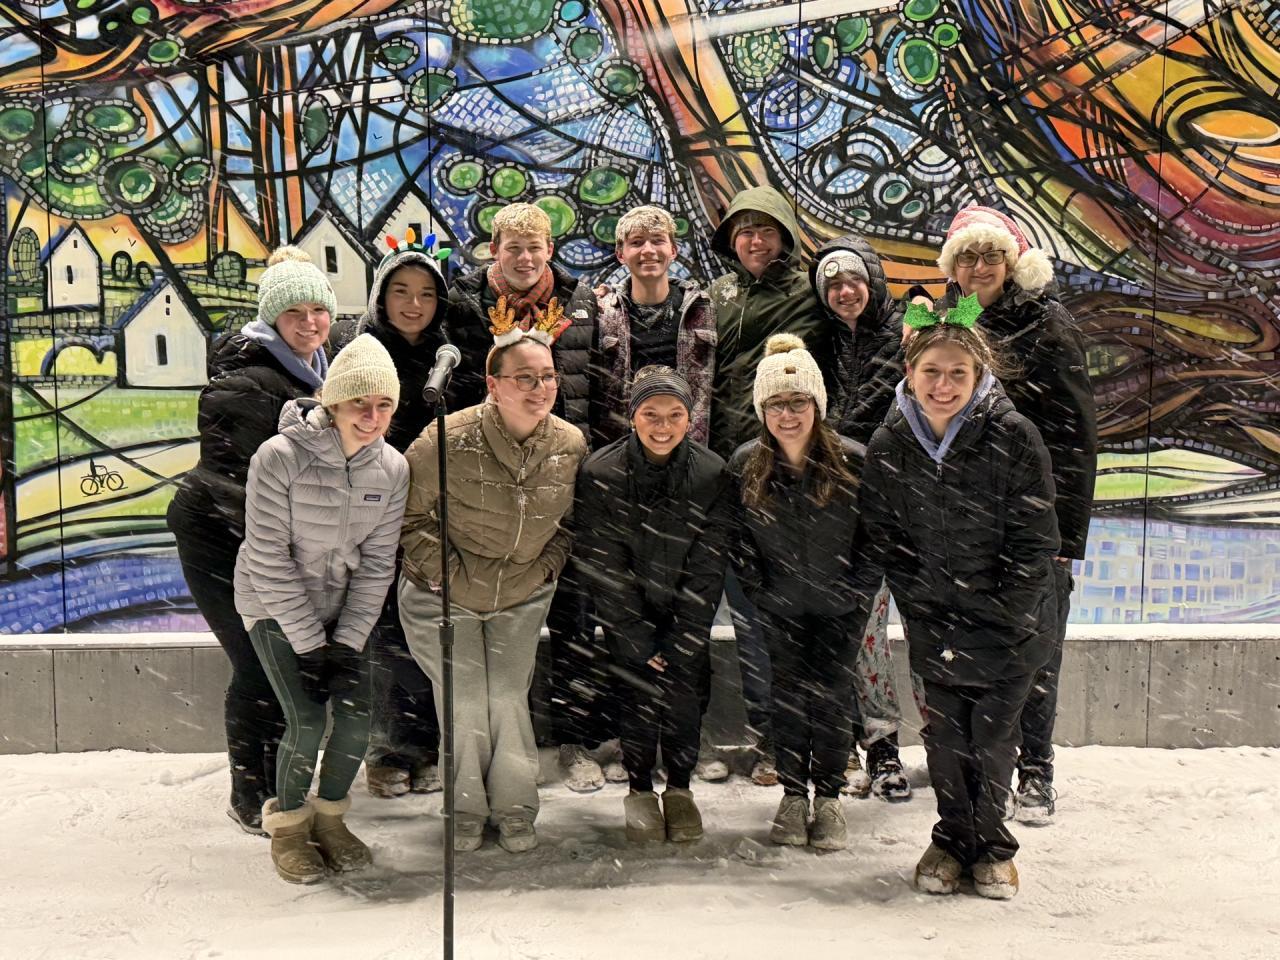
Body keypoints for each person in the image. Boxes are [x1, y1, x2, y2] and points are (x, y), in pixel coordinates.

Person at [857, 302, 1059, 899]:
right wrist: (923, 604)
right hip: (936, 619)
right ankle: (950, 840)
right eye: (932, 372)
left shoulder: (1013, 435)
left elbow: (1035, 540)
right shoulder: (890, 442)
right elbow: (886, 538)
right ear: (910, 372)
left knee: (992, 741)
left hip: (1011, 620)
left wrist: (1001, 612)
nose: (942, 386)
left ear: (979, 374)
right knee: (946, 741)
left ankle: (992, 849)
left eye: (957, 373)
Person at [397, 308, 586, 854]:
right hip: (441, 593)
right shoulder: (446, 438)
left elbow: (574, 524)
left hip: (520, 592)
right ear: (493, 384)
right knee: (463, 697)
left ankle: (515, 807)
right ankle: (463, 809)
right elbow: (407, 518)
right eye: (524, 378)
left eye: (547, 376)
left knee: (504, 696)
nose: (539, 388)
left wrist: (546, 566)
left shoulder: (570, 445)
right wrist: (449, 574)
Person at [935, 205, 1097, 823]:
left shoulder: (1046, 324)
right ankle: (988, 762)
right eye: (967, 257)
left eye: (991, 256)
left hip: (1034, 520)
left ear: (1013, 262)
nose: (979, 268)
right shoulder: (952, 320)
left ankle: (1036, 770)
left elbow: (1076, 436)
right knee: (981, 648)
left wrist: (1066, 537)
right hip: (969, 521)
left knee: (1038, 648)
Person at [167, 246, 334, 834]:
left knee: (279, 663)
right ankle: (249, 791)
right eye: (294, 313)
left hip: (270, 541)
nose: (309, 322)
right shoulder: (245, 382)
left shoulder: (316, 366)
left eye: (318, 310)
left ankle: (278, 779)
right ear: (272, 318)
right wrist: (286, 545)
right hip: (220, 539)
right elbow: (235, 483)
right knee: (257, 663)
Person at [234, 334, 409, 884]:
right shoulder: (278, 457)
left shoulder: (393, 469)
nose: (372, 417)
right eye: (360, 402)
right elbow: (266, 557)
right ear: (333, 403)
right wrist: (311, 646)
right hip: (271, 604)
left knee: (357, 722)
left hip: (341, 611)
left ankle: (331, 819)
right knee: (307, 720)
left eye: (384, 404)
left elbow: (377, 565)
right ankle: (288, 828)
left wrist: (348, 642)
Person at [443, 203, 604, 789]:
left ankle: (577, 739)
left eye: (535, 247)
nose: (525, 258)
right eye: (513, 247)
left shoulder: (581, 305)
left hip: (560, 472)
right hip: (490, 481)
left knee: (574, 616)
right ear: (494, 248)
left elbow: (595, 388)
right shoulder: (465, 305)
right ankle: (490, 749)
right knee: (488, 623)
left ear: (550, 250)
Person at [581, 204, 721, 783]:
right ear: (621, 253)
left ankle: (686, 747)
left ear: (674, 248)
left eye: (657, 240)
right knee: (625, 607)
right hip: (624, 471)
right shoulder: (601, 311)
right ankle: (631, 743)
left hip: (690, 469)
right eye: (636, 242)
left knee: (690, 611)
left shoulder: (704, 307)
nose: (648, 250)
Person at [709, 185, 835, 785]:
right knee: (751, 610)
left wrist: (927, 309)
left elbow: (882, 321)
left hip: (802, 471)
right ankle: (770, 735)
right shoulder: (717, 295)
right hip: (735, 473)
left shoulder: (813, 292)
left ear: (785, 234)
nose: (755, 240)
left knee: (821, 616)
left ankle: (833, 740)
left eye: (765, 229)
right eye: (744, 230)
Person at [576, 367, 730, 843]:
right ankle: (640, 789)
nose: (663, 426)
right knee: (636, 699)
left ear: (690, 417)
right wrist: (637, 635)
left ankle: (680, 788)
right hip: (629, 615)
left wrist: (684, 633)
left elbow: (709, 562)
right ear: (632, 416)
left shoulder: (712, 473)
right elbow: (604, 563)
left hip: (686, 613)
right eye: (650, 414)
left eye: (674, 414)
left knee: (686, 698)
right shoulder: (601, 473)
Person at [729, 335, 868, 851]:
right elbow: (736, 539)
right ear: (761, 409)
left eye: (798, 402)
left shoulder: (854, 461)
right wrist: (759, 589)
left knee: (832, 697)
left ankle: (828, 798)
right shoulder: (745, 464)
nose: (787, 415)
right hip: (778, 605)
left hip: (841, 606)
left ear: (818, 404)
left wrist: (857, 589)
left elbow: (877, 536)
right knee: (785, 697)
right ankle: (792, 794)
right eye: (775, 404)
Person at [329, 230, 450, 800]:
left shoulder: (448, 357)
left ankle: (426, 745)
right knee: (378, 633)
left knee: (426, 631)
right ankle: (384, 748)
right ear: (381, 296)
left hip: (430, 516)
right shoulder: (360, 351)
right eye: (401, 291)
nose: (413, 304)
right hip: (369, 513)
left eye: (426, 293)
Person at [809, 235, 912, 802]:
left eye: (854, 279)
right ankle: (881, 746)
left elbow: (968, 315)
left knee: (926, 631)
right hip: (851, 511)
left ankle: (951, 744)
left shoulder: (911, 323)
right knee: (866, 635)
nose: (845, 291)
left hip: (914, 509)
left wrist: (932, 306)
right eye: (833, 284)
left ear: (873, 279)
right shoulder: (821, 343)